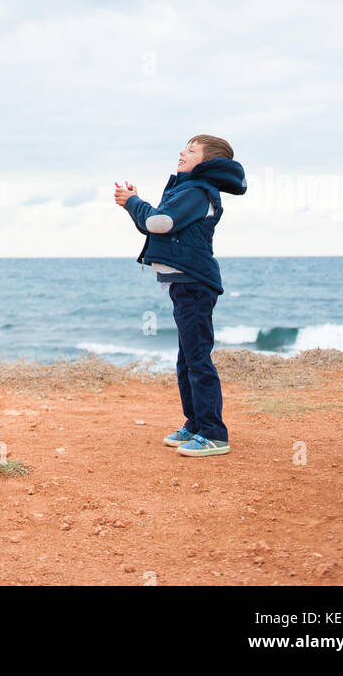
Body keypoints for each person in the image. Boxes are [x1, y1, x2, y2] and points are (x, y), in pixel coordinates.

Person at [115, 135, 247, 457]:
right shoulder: (186, 190)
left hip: (195, 285)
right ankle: (195, 424)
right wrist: (134, 205)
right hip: (183, 284)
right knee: (187, 359)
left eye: (190, 150)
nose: (181, 153)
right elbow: (155, 225)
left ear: (207, 162)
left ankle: (214, 433)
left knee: (197, 358)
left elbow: (159, 222)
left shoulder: (197, 191)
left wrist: (133, 201)